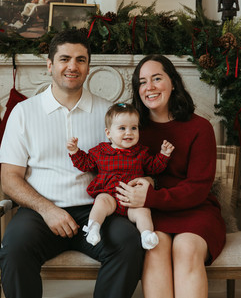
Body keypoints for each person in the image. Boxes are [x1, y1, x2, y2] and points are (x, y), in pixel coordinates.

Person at [0, 29, 144, 298]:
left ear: (88, 66)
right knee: (14, 248)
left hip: (99, 209)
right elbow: (9, 177)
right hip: (39, 212)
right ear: (50, 64)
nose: (72, 66)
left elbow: (134, 160)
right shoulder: (24, 112)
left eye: (81, 59)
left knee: (129, 244)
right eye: (65, 58)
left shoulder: (109, 114)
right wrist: (47, 209)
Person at [115, 54, 226, 298]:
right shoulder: (132, 130)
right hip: (154, 215)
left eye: (157, 78)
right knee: (155, 246)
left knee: (186, 247)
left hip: (196, 210)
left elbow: (197, 188)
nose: (150, 87)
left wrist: (150, 196)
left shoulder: (199, 128)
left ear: (173, 82)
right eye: (142, 82)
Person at [67, 102, 174, 249]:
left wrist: (163, 155)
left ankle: (146, 235)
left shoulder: (141, 152)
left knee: (143, 211)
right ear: (109, 133)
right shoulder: (100, 151)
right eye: (122, 128)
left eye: (134, 128)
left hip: (132, 200)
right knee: (101, 201)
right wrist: (75, 151)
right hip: (109, 195)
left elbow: (153, 167)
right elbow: (85, 164)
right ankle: (93, 228)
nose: (129, 132)